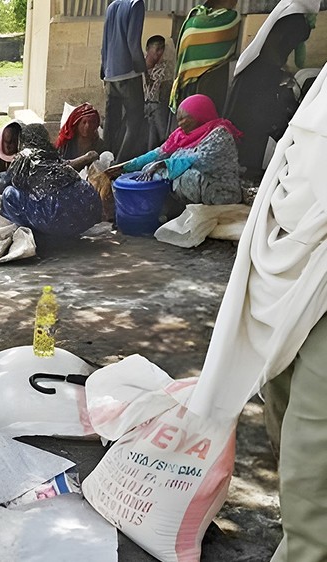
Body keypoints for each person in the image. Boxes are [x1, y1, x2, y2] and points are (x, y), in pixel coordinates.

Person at [190, 64, 327, 562]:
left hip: (320, 281)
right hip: (293, 258)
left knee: (313, 466)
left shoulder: (212, 140)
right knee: (285, 423)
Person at [225, 0, 317, 175]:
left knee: (254, 127)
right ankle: (246, 170)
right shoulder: (293, 18)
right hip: (260, 78)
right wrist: (281, 69)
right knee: (253, 127)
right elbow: (272, 46)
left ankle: (245, 168)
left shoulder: (292, 15)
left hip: (261, 74)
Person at [113, 94, 242, 205]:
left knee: (183, 176)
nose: (180, 124)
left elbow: (200, 160)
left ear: (200, 116)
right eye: (178, 119)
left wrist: (163, 164)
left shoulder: (220, 134)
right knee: (149, 169)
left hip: (220, 189)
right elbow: (159, 153)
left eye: (185, 118)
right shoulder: (181, 135)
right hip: (198, 185)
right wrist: (126, 166)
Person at [1, 124, 103, 237]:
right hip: (87, 213)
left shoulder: (23, 157)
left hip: (54, 219)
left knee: (8, 193)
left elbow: (3, 187)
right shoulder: (53, 155)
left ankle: (33, 233)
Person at [170, 0, 240, 114]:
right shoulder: (196, 17)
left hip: (203, 79)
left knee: (196, 114)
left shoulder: (229, 18)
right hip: (199, 81)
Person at [101, 0, 146, 162]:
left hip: (110, 73)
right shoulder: (136, 4)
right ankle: (120, 164)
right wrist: (143, 69)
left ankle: (104, 160)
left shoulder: (112, 6)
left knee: (111, 121)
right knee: (135, 122)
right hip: (128, 73)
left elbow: (104, 42)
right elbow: (133, 42)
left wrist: (104, 70)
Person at [56, 102, 106, 171]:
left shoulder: (100, 146)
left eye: (91, 122)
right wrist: (87, 158)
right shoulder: (67, 144)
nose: (87, 126)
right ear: (77, 125)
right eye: (84, 122)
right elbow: (58, 165)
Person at [143, 35, 168, 149]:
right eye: (157, 49)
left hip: (155, 106)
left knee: (153, 113)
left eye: (162, 49)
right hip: (138, 105)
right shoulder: (138, 67)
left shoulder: (163, 68)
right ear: (147, 48)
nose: (159, 53)